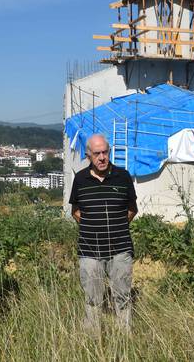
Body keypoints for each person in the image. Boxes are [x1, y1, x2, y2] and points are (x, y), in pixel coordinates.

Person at [69, 134, 138, 335]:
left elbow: (132, 209)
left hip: (120, 249)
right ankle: (92, 340)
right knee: (92, 299)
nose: (101, 157)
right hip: (90, 250)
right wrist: (94, 227)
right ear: (88, 155)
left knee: (122, 296)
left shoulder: (123, 176)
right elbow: (76, 211)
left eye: (105, 152)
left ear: (109, 152)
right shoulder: (80, 179)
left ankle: (124, 339)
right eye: (96, 153)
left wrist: (116, 227)